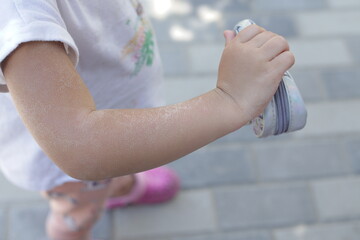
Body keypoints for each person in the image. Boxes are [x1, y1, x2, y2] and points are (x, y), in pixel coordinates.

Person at [0, 0, 295, 239]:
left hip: (112, 114)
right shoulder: (20, 16)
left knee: (107, 175)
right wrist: (230, 100)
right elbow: (80, 146)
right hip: (74, 166)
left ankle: (117, 185)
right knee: (76, 215)